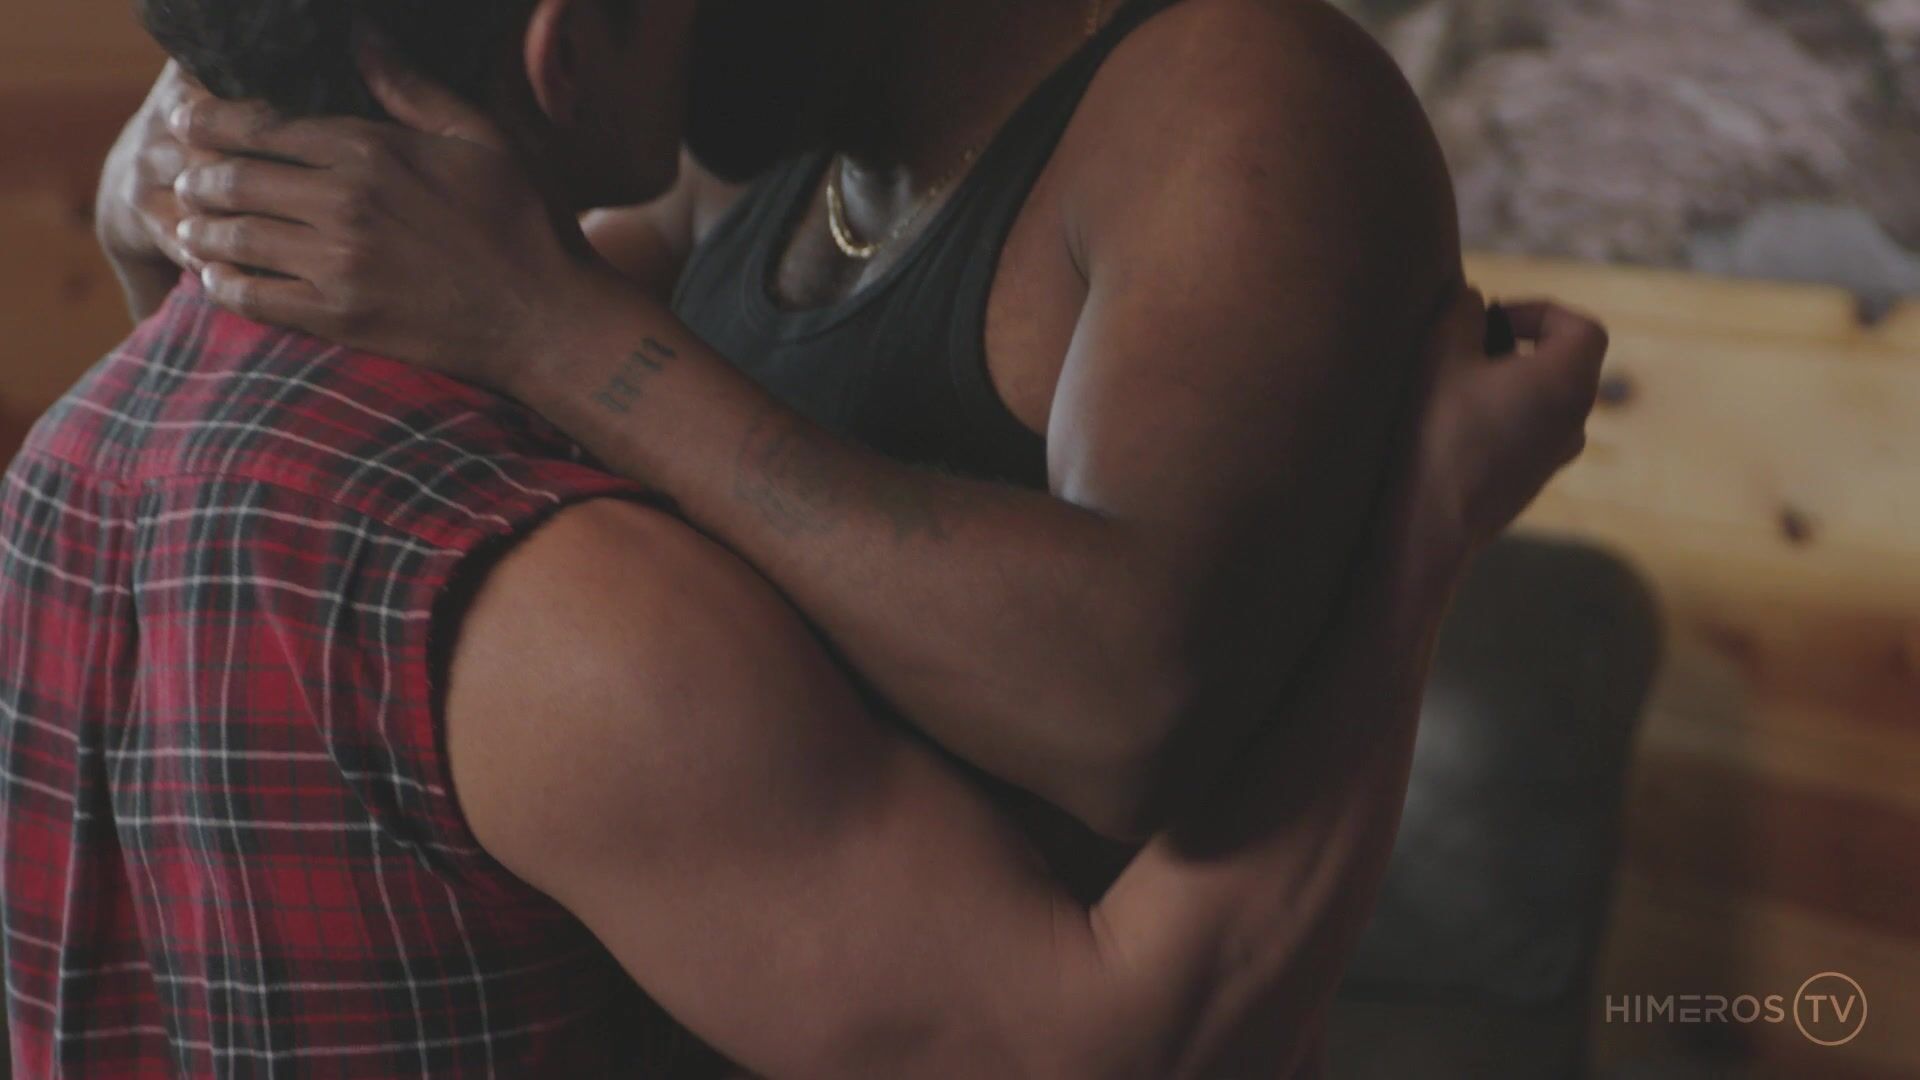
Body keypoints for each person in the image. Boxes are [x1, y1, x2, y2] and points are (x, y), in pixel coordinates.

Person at [59, 0, 1611, 1074]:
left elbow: (1124, 712)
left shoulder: (1238, 96)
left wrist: (551, 326)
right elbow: (358, 474)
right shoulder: (739, 157)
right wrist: (193, 234)